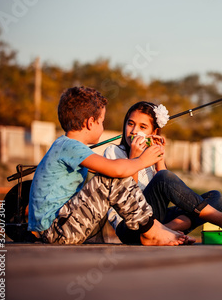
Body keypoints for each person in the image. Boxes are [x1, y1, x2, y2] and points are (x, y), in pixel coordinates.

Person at [28, 86, 189, 246]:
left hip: (60, 227)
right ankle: (151, 232)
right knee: (113, 177)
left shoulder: (66, 146)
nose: (102, 126)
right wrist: (141, 161)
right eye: (102, 122)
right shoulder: (70, 146)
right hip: (57, 231)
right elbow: (116, 170)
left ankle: (153, 229)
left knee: (112, 175)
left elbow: (106, 168)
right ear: (91, 123)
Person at [103, 101, 222, 244]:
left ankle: (167, 229)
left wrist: (159, 158)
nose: (135, 131)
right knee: (163, 177)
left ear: (154, 132)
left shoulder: (150, 155)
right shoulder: (113, 152)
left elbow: (165, 193)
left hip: (153, 219)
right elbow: (129, 200)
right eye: (130, 124)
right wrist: (134, 158)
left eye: (143, 127)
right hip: (129, 226)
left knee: (215, 197)